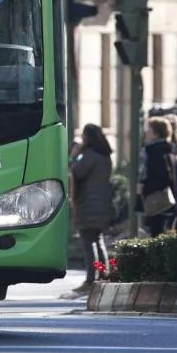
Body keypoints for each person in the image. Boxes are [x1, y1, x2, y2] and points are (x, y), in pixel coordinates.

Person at [67, 124, 115, 296]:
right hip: (102, 204)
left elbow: (77, 172)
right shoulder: (105, 156)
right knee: (98, 240)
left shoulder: (89, 156)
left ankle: (90, 279)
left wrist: (73, 157)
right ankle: (104, 274)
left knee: (88, 243)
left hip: (88, 204)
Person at [140, 116, 177, 237]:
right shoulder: (164, 149)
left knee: (157, 232)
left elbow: (161, 177)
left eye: (149, 130)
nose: (146, 133)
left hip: (158, 199)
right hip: (160, 198)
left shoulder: (157, 151)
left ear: (156, 133)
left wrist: (144, 187)